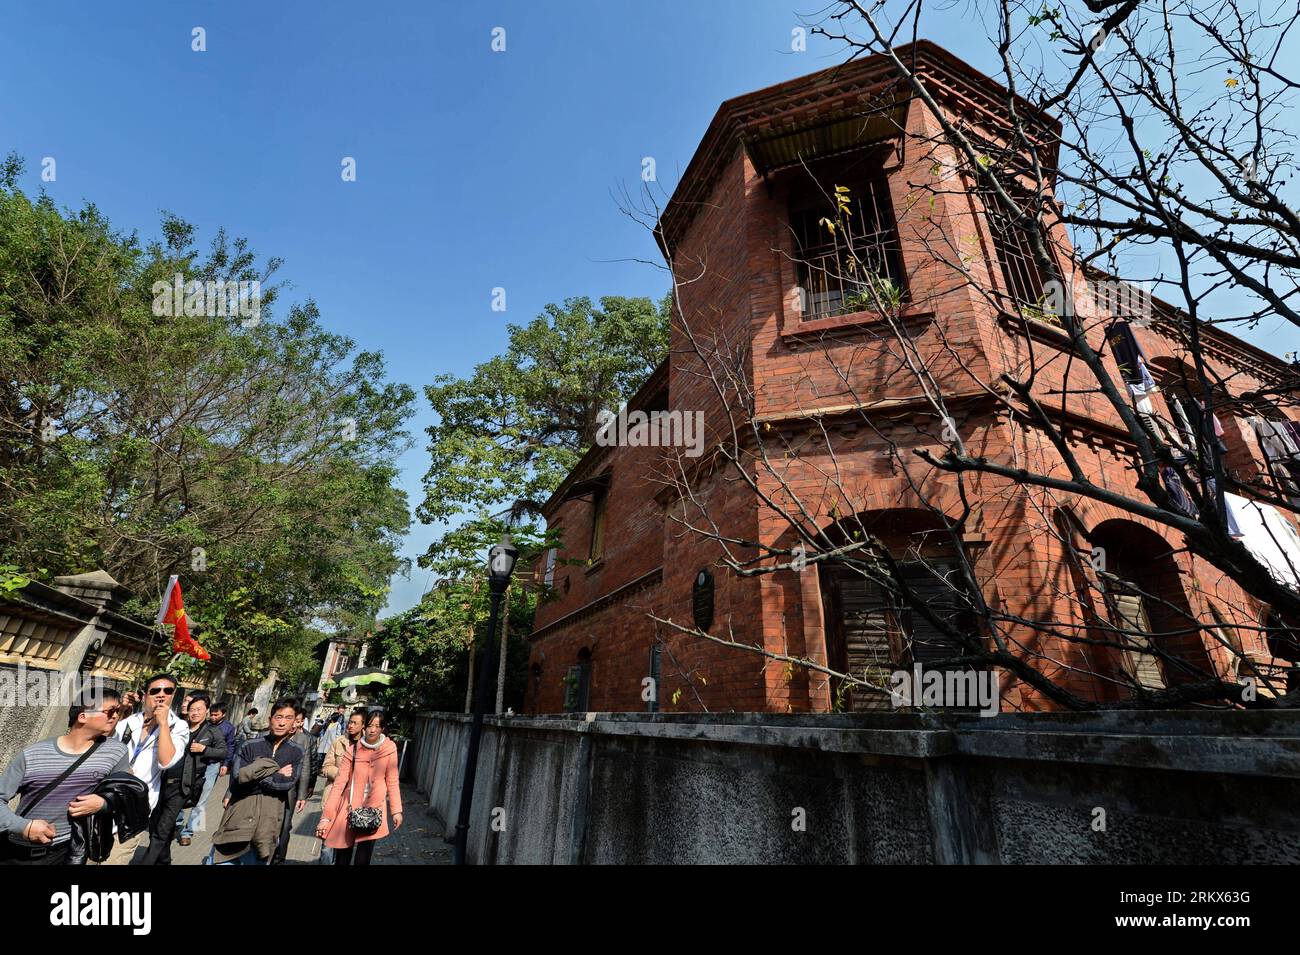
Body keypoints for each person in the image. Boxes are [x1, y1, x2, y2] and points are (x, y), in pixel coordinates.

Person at [0, 687, 129, 865]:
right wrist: (24, 827)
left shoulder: (116, 752)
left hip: (67, 851)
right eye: (110, 711)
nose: (116, 716)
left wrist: (103, 803)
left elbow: (123, 795)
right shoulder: (33, 755)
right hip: (17, 851)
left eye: (118, 711)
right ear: (82, 716)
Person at [106, 673, 191, 864]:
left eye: (167, 691)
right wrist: (120, 712)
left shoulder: (178, 726)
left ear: (173, 695)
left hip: (134, 809)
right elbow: (105, 743)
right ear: (145, 695)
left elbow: (166, 761)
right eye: (155, 691)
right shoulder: (130, 721)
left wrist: (162, 724)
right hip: (108, 798)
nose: (161, 695)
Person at [209, 699, 302, 865]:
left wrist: (255, 773)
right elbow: (239, 778)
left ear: (295, 722)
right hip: (239, 816)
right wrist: (274, 770)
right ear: (270, 719)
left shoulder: (296, 751)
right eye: (278, 717)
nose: (282, 723)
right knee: (223, 859)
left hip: (268, 822)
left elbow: (285, 784)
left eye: (288, 718)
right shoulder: (250, 745)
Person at [317, 709, 402, 866]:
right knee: (342, 855)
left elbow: (392, 781)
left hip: (373, 810)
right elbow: (339, 785)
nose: (372, 729)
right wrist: (326, 817)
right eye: (370, 725)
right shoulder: (353, 750)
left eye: (377, 726)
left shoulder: (390, 749)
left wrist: (396, 811)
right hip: (348, 809)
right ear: (365, 727)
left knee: (363, 858)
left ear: (383, 729)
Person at [177, 699, 236, 845]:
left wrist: (225, 764)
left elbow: (228, 748)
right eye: (212, 715)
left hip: (212, 767)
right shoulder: (201, 725)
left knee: (201, 800)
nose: (213, 717)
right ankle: (176, 824)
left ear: (223, 715)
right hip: (194, 765)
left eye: (217, 715)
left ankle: (189, 832)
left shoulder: (228, 728)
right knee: (181, 795)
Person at [315, 708, 364, 865]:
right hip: (333, 798)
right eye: (350, 722)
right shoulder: (339, 742)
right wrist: (342, 774)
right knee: (326, 843)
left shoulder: (367, 747)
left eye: (355, 723)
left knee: (345, 844)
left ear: (363, 726)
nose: (350, 726)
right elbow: (325, 767)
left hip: (353, 803)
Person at [269, 704, 314, 865]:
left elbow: (306, 768)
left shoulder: (304, 740)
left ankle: (278, 859)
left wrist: (302, 794)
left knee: (285, 826)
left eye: (292, 719)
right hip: (268, 789)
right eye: (280, 717)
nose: (289, 723)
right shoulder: (267, 736)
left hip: (290, 791)